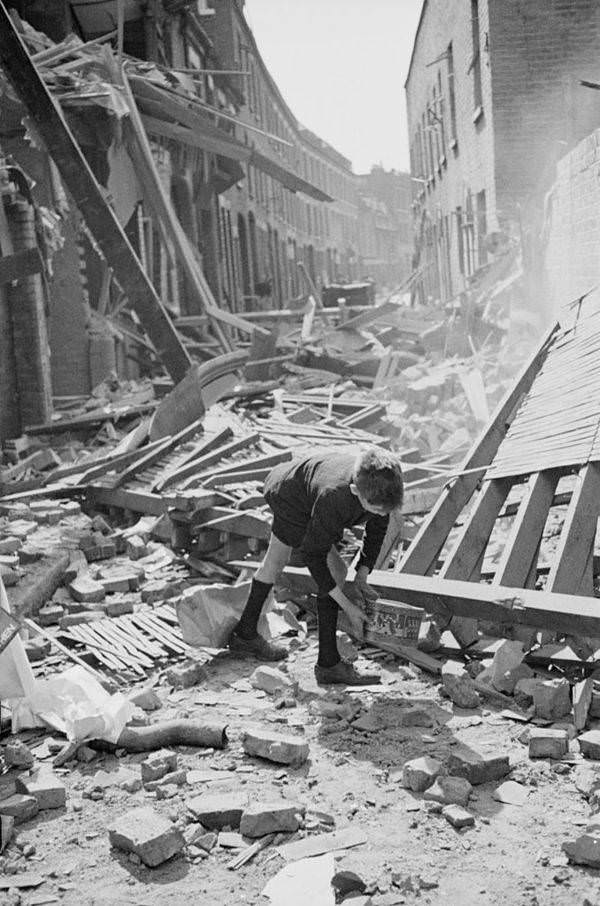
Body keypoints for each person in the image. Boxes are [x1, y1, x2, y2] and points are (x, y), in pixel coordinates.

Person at [229, 446, 404, 685]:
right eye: (374, 509)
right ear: (355, 491)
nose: (380, 514)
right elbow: (314, 556)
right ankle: (328, 664)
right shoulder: (334, 497)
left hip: (296, 484)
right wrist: (347, 607)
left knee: (275, 562)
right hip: (289, 497)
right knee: (337, 570)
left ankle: (245, 634)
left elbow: (377, 528)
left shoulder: (381, 484)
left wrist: (363, 574)